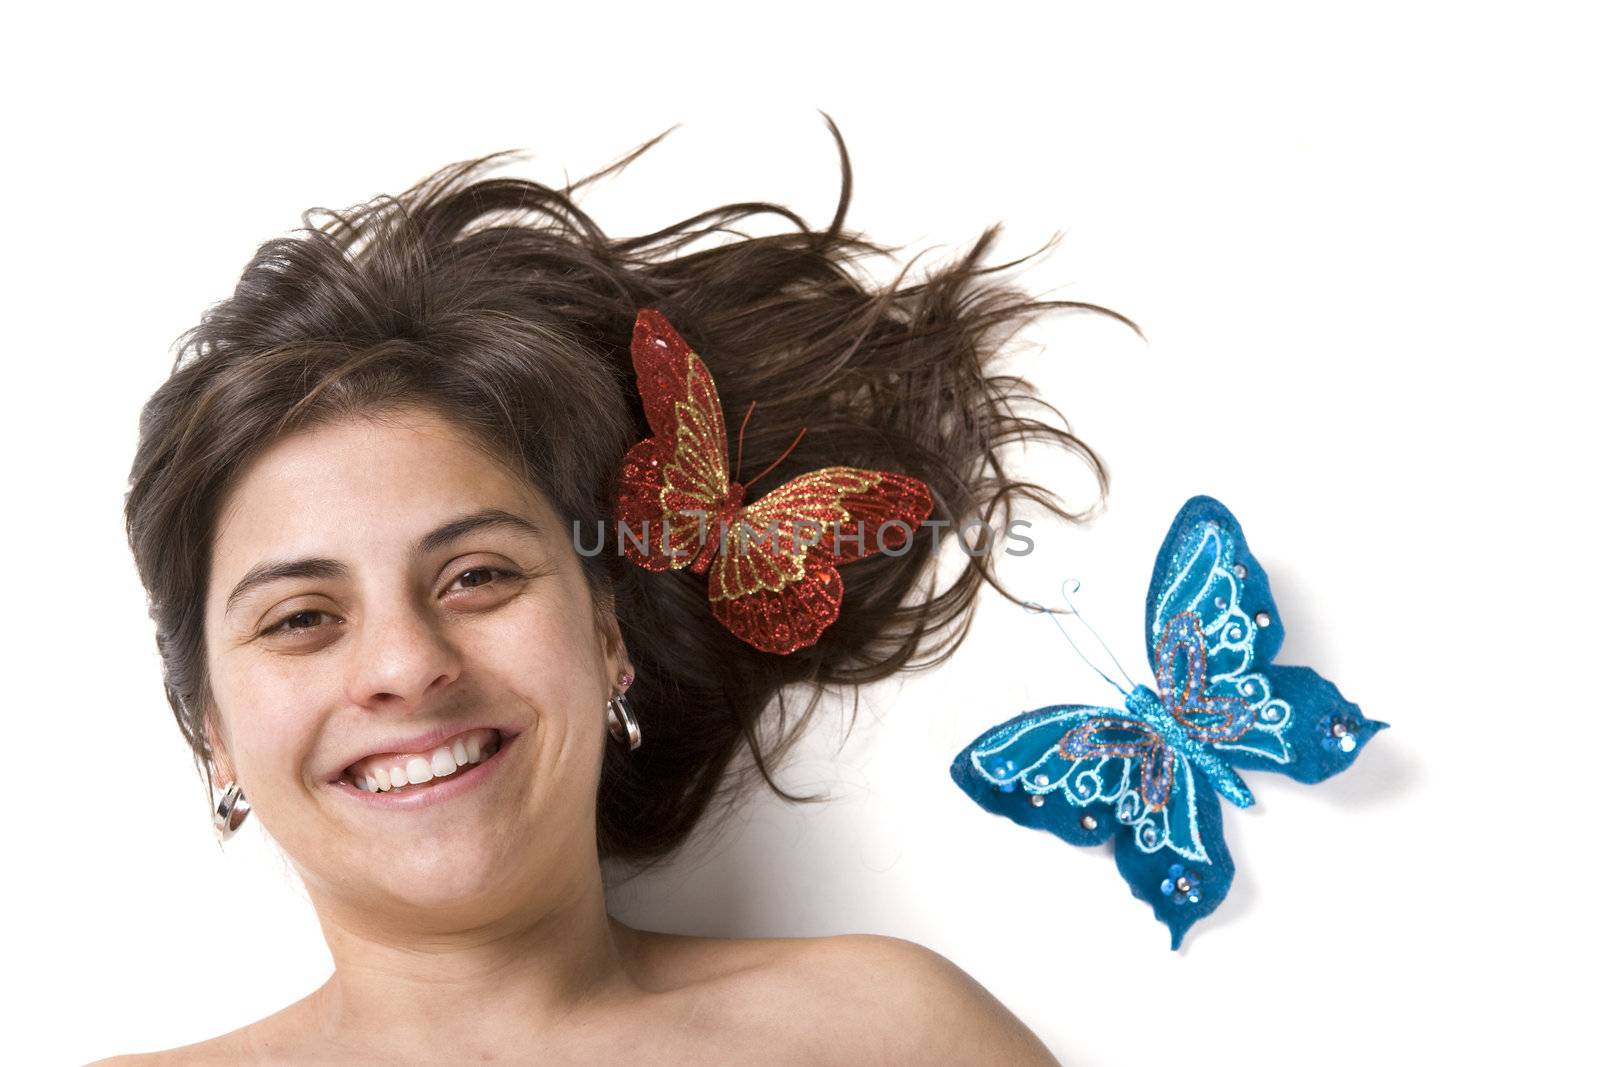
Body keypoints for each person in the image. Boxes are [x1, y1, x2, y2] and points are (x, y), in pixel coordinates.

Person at [98, 115, 1128, 1064]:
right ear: (214, 732)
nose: (407, 663)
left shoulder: (890, 1031)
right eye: (302, 617)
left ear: (605, 636)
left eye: (477, 575)